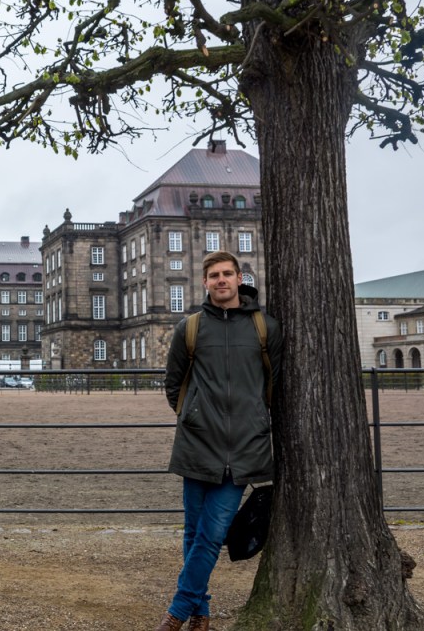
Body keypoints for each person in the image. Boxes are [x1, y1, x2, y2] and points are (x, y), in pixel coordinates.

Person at [155, 251, 283, 631]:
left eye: (228, 273)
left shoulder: (265, 328)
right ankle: (201, 610)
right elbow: (172, 384)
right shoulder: (189, 328)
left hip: (245, 447)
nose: (222, 280)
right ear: (205, 282)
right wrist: (192, 415)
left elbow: (274, 383)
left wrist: (255, 419)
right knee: (195, 532)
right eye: (214, 275)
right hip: (198, 444)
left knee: (211, 535)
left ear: (240, 278)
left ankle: (177, 612)